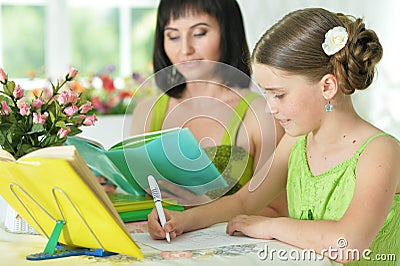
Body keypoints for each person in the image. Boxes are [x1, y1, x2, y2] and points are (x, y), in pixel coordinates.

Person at [147, 7, 400, 265]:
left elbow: (348, 245)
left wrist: (271, 226)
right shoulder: (296, 141)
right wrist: (182, 220)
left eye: (279, 94)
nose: (270, 106)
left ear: (327, 86)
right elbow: (245, 201)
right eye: (266, 93)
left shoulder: (380, 152)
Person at [130, 0, 286, 214]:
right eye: (173, 36)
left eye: (199, 33)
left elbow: (277, 211)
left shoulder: (261, 114)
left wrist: (202, 209)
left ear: (228, 34)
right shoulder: (146, 111)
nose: (185, 49)